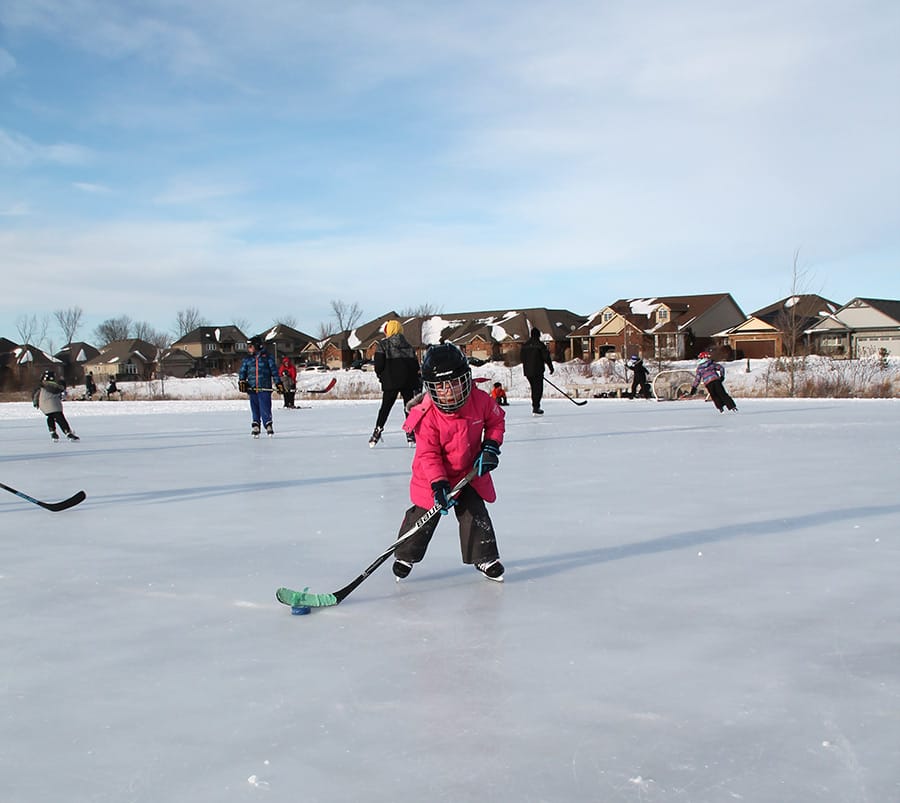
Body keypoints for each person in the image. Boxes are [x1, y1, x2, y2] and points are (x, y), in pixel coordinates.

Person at [393, 343, 506, 582]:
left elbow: (496, 422)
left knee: (475, 512)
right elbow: (428, 454)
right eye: (440, 386)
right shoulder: (428, 416)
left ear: (466, 379)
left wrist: (491, 446)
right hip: (432, 476)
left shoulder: (481, 400)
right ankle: (405, 555)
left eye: (454, 382)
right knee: (423, 515)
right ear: (431, 389)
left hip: (469, 472)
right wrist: (438, 484)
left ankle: (484, 557)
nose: (448, 390)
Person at [369, 319, 421, 447]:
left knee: (385, 407)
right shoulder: (408, 345)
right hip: (408, 381)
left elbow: (379, 365)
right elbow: (415, 365)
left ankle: (377, 431)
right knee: (408, 408)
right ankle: (410, 434)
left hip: (390, 382)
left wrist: (381, 376)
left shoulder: (383, 345)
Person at [238, 336, 285, 437]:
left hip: (264, 386)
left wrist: (278, 383)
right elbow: (242, 371)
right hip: (252, 387)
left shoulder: (267, 357)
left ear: (257, 346)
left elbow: (274, 371)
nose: (249, 348)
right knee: (254, 407)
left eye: (250, 346)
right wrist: (242, 381)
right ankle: (256, 424)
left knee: (265, 406)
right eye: (248, 346)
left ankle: (268, 424)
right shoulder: (247, 359)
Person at [33, 370, 79, 441]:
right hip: (52, 404)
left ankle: (53, 432)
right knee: (60, 417)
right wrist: (62, 383)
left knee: (50, 416)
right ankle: (68, 433)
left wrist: (35, 402)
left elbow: (35, 394)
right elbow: (59, 388)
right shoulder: (49, 384)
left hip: (43, 405)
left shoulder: (42, 385)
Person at [520, 327, 553, 415]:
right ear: (538, 335)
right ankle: (536, 407)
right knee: (538, 389)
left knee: (534, 389)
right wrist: (551, 367)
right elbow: (546, 357)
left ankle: (535, 406)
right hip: (537, 370)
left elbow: (522, 358)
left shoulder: (525, 345)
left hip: (528, 371)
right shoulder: (540, 345)